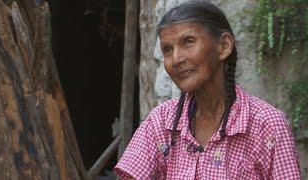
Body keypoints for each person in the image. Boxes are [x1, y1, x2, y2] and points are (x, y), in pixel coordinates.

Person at [114, 1, 300, 179]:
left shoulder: (267, 125)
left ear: (224, 46)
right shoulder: (161, 122)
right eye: (168, 50)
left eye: (188, 42)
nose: (176, 58)